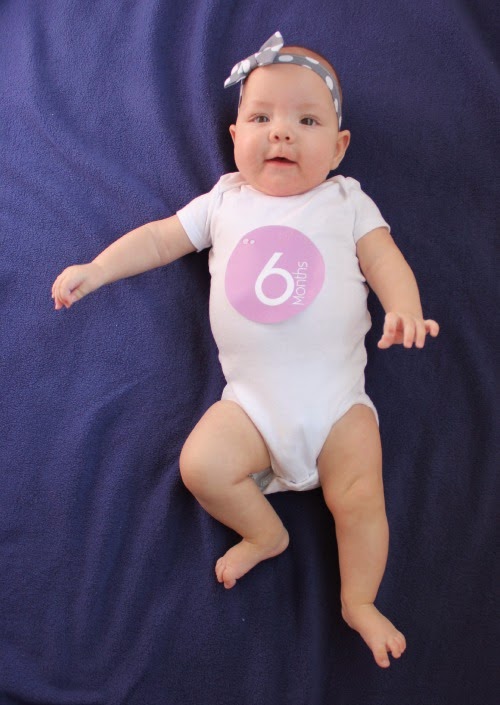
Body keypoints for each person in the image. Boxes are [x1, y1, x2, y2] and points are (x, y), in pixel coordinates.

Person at [52, 32, 439, 668]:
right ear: (235, 136)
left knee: (361, 497)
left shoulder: (345, 201)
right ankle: (265, 532)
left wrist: (405, 308)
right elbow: (159, 239)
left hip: (338, 406)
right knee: (200, 465)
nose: (281, 132)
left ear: (339, 147)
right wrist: (98, 269)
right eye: (261, 118)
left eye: (306, 121)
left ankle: (360, 600)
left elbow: (385, 260)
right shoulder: (224, 201)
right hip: (252, 407)